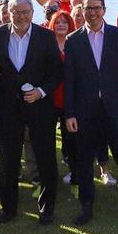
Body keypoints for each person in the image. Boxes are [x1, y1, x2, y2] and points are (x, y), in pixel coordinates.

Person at [64, 0, 118, 227]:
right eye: (88, 8)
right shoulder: (73, 39)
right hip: (85, 111)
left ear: (104, 9)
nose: (92, 12)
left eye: (96, 8)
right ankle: (86, 205)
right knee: (84, 161)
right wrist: (70, 113)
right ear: (82, 10)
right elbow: (69, 79)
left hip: (115, 110)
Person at [0, 0, 62, 225]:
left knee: (46, 160)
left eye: (26, 12)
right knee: (8, 161)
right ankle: (8, 209)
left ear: (33, 12)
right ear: (9, 13)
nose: (21, 16)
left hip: (40, 107)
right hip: (9, 109)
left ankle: (46, 210)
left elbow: (57, 71)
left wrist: (42, 91)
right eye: (16, 12)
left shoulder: (45, 36)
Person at [48, 11, 79, 194]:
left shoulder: (75, 43)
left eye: (64, 22)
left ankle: (75, 173)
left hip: (70, 100)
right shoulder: (46, 44)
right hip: (50, 100)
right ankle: (49, 176)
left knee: (71, 139)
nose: (60, 24)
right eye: (57, 22)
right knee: (48, 140)